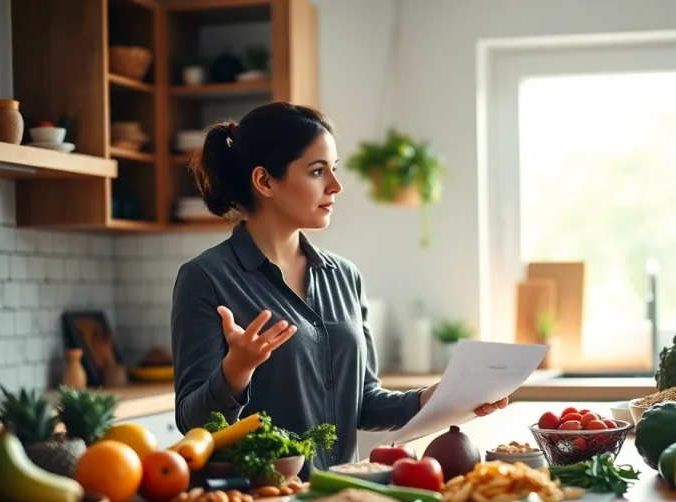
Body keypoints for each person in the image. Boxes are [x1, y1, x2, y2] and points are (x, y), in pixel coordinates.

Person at [170, 102, 507, 472]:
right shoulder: (205, 278)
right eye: (317, 171)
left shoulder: (344, 276)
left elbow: (363, 402)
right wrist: (236, 370)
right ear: (265, 181)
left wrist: (434, 398)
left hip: (343, 499)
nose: (336, 185)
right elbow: (192, 424)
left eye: (334, 169)